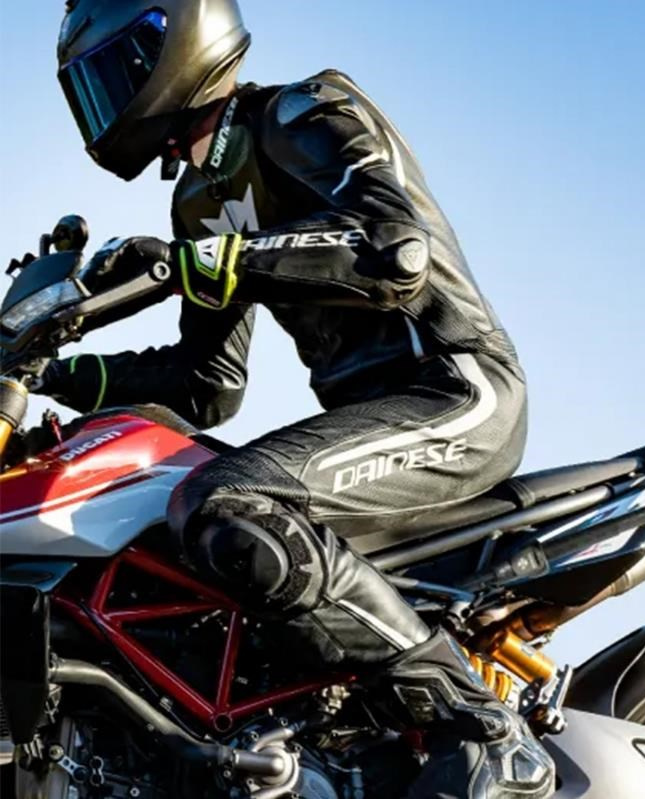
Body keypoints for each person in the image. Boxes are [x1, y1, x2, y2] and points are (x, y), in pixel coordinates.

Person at [41, 1, 554, 796]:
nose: (106, 98)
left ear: (177, 41)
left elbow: (392, 250)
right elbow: (205, 386)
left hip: (453, 393)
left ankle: (481, 726)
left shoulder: (304, 111)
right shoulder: (198, 199)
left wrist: (211, 260)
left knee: (226, 501)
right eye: (92, 87)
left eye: (115, 72)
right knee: (155, 513)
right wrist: (58, 372)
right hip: (358, 423)